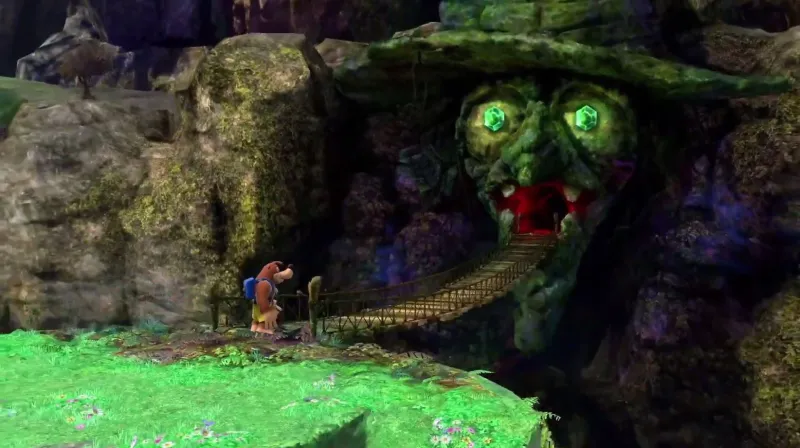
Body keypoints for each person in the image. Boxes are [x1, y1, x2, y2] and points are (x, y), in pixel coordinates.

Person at [251, 261, 294, 334]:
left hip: (257, 306)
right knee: (263, 320)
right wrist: (267, 310)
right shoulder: (265, 283)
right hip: (261, 307)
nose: (282, 280)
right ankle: (262, 328)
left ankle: (254, 328)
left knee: (257, 320)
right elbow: (262, 299)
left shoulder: (264, 282)